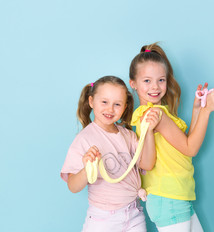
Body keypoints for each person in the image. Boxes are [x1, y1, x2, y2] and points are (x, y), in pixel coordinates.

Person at [129, 43, 214, 231]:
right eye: (147, 81)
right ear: (133, 83)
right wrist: (207, 112)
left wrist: (197, 109)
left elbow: (184, 145)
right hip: (168, 198)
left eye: (161, 80)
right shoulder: (156, 114)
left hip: (175, 196)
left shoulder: (153, 113)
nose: (155, 87)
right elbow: (191, 148)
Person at [60, 75, 161, 232]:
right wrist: (87, 169)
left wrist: (149, 132)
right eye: (104, 102)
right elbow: (72, 186)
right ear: (91, 101)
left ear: (125, 107)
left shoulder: (128, 135)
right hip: (103, 219)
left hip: (134, 213)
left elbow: (147, 164)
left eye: (117, 104)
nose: (110, 109)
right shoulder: (84, 139)